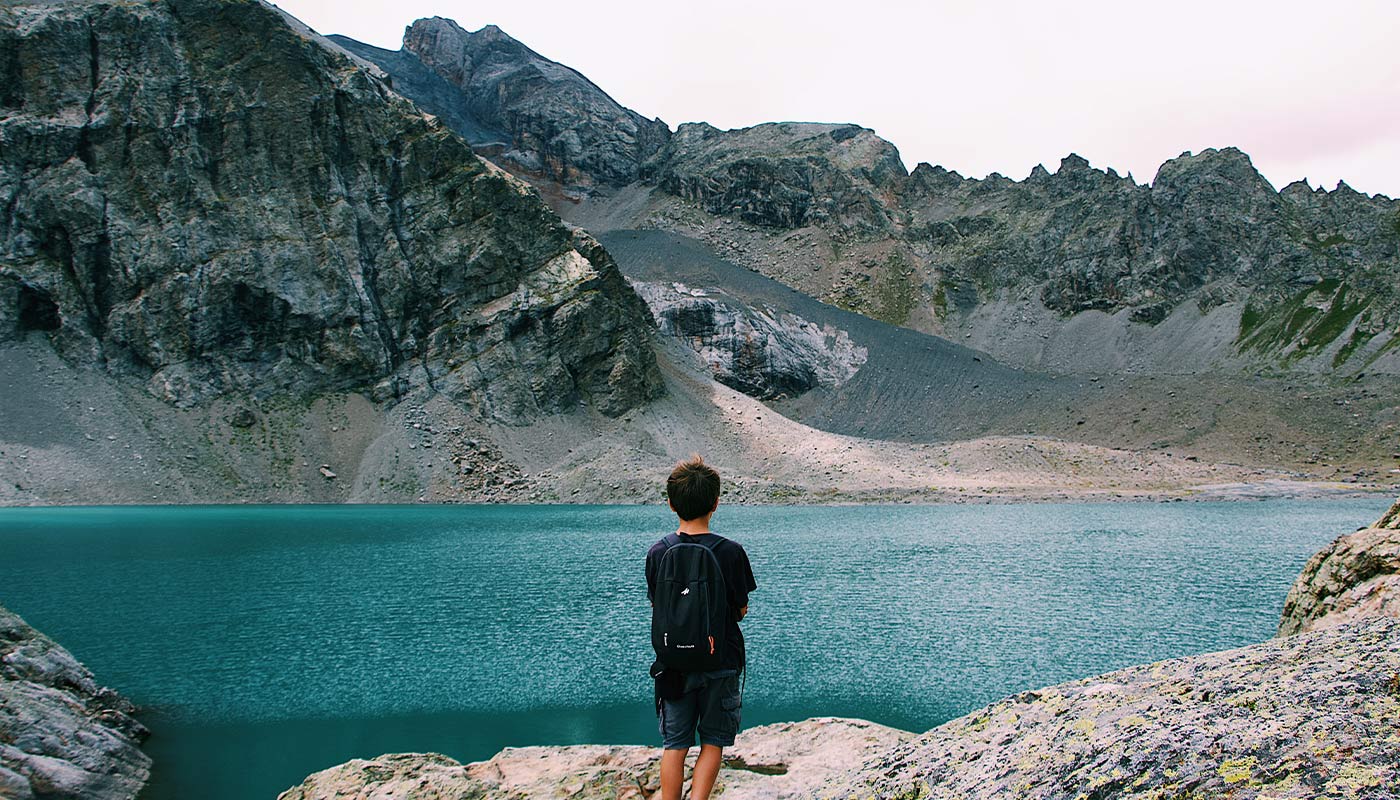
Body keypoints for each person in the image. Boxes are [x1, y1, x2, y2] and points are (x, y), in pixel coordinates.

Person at [645, 456, 757, 800]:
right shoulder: (732, 551)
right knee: (713, 741)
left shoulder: (658, 552)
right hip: (720, 660)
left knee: (674, 744)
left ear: (670, 503)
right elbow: (740, 608)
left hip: (673, 666)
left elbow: (657, 604)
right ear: (716, 503)